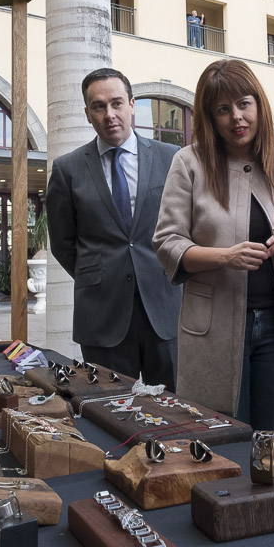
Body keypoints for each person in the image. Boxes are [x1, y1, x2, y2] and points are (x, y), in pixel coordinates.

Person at [153, 59, 274, 446]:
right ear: (210, 117)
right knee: (224, 442)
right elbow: (167, 242)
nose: (236, 118)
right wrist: (225, 257)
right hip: (215, 325)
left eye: (244, 104)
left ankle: (269, 506)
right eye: (223, 109)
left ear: (259, 103)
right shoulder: (189, 162)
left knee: (271, 445)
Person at [45, 68, 181, 386]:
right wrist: (99, 275)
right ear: (87, 113)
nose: (110, 115)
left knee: (177, 411)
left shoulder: (171, 158)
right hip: (102, 316)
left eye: (117, 103)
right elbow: (63, 242)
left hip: (165, 309)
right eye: (99, 106)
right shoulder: (68, 170)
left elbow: (185, 226)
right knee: (109, 411)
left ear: (132, 105)